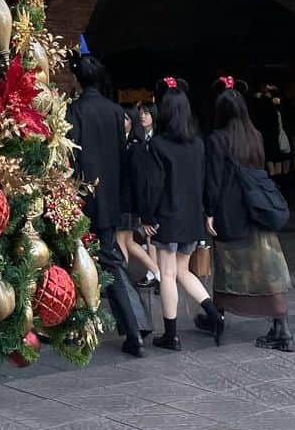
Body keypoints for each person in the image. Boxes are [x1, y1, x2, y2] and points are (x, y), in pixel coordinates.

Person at [203, 78, 295, 352]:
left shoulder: (217, 139)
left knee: (229, 267)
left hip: (231, 212)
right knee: (267, 268)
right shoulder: (254, 135)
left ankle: (217, 315)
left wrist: (209, 211)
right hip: (258, 209)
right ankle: (281, 326)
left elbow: (214, 181)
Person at [68, 47, 149, 357]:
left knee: (80, 262)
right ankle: (132, 331)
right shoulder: (117, 112)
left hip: (82, 200)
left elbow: (72, 156)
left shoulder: (74, 111)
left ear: (77, 79)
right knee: (109, 262)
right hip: (110, 201)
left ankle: (83, 330)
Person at [137, 76, 223, 350]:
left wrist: (147, 217)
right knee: (184, 271)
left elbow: (153, 186)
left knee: (168, 273)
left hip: (167, 217)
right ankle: (213, 314)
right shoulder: (198, 144)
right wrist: (207, 211)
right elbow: (206, 181)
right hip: (191, 218)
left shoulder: (158, 145)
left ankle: (171, 334)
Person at [118, 106, 160, 287]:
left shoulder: (135, 146)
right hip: (128, 201)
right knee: (128, 242)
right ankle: (157, 273)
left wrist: (144, 211)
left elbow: (138, 180)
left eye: (126, 118)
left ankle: (122, 283)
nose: (122, 122)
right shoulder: (130, 143)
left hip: (127, 202)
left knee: (121, 241)